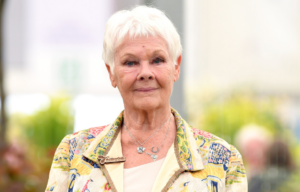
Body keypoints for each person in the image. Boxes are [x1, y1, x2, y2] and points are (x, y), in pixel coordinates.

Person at [45, 5, 247, 192]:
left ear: (176, 67)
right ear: (111, 73)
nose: (145, 73)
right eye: (130, 62)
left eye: (157, 60)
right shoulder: (74, 153)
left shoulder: (223, 160)